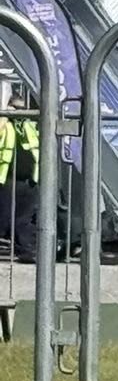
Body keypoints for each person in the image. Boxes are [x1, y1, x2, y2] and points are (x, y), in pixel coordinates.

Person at [0, 76, 42, 264]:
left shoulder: (27, 122)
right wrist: (5, 113)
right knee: (5, 217)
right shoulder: (5, 122)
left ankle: (27, 251)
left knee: (24, 218)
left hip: (29, 177)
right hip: (7, 177)